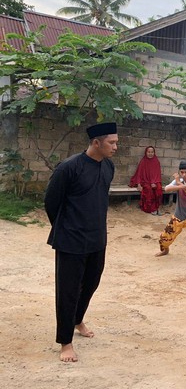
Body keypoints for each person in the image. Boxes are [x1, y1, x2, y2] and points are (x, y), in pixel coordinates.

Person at [44, 122, 118, 363]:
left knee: (91, 284)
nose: (116, 147)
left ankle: (77, 320)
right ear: (96, 142)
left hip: (97, 238)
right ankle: (65, 342)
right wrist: (67, 228)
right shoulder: (69, 168)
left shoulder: (108, 166)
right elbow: (51, 202)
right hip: (71, 241)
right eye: (112, 142)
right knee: (67, 291)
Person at [129, 145, 163, 215]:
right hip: (145, 181)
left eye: (152, 152)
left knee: (158, 188)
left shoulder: (156, 161)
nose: (150, 153)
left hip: (155, 181)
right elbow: (139, 173)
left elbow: (158, 174)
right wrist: (138, 184)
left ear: (154, 153)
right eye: (149, 152)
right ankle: (151, 209)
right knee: (148, 189)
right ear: (146, 152)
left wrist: (154, 182)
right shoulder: (143, 161)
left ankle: (157, 207)